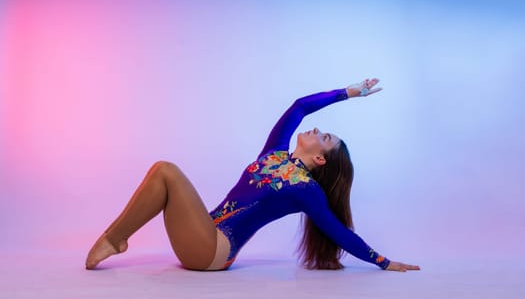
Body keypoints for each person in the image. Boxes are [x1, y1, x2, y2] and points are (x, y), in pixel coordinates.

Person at [85, 78, 420, 272]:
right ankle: (116, 239)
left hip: (214, 252)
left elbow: (337, 231)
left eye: (326, 137)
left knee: (166, 171)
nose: (318, 129)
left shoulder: (305, 190)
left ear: (319, 158)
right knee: (162, 174)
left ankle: (115, 239)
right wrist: (346, 93)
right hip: (201, 234)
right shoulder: (274, 152)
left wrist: (383, 261)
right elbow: (299, 106)